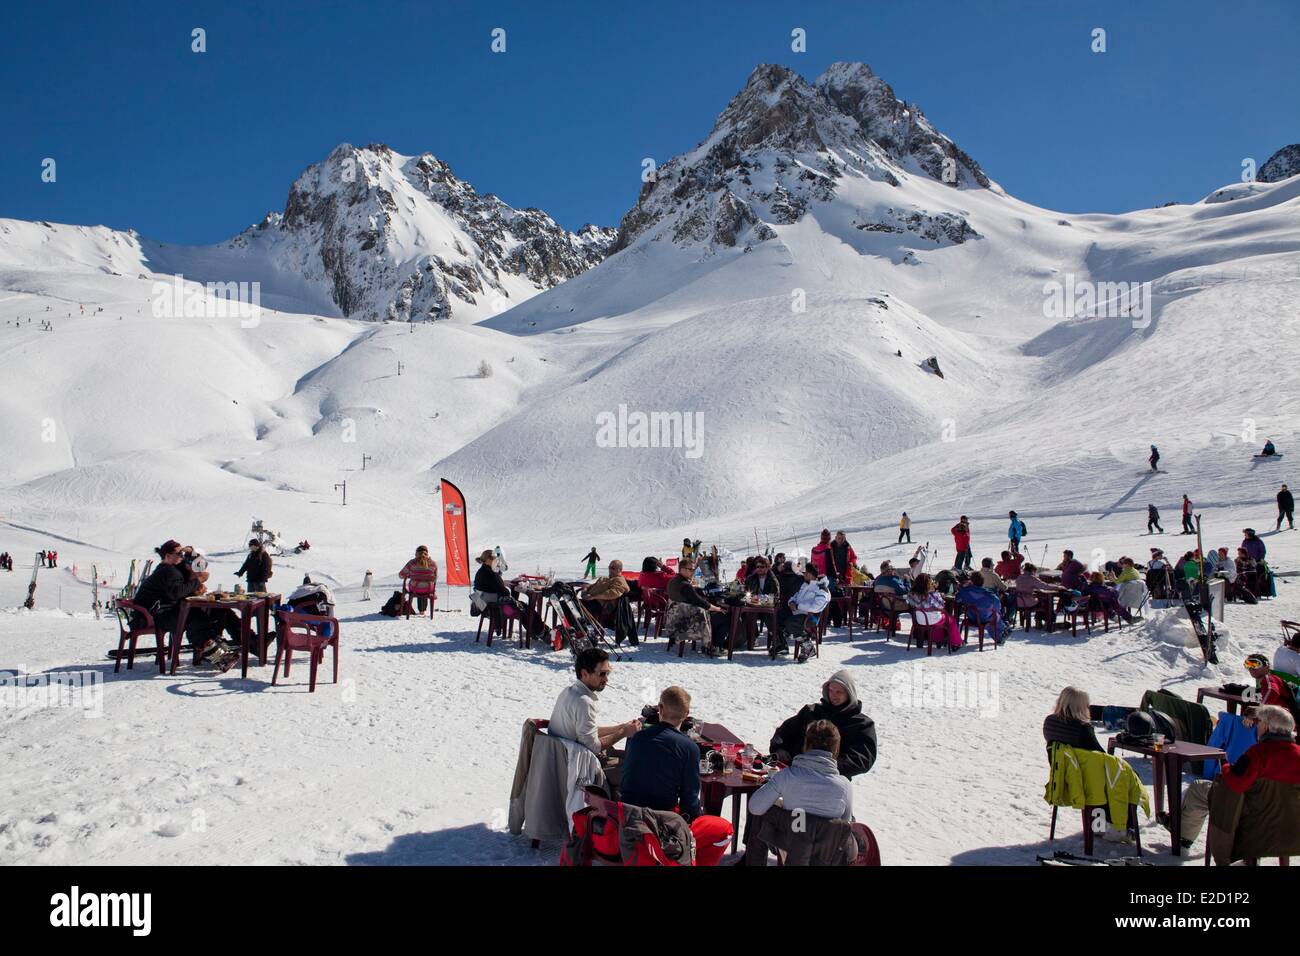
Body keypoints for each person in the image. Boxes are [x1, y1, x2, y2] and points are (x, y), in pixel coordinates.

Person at [618, 686, 733, 866]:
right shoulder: (688, 748)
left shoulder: (637, 738)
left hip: (627, 815)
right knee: (725, 829)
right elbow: (690, 800)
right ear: (687, 714)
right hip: (661, 823)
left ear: (660, 709)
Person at [1169, 705, 1300, 850]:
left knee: (1198, 788)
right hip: (1289, 820)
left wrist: (1226, 766)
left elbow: (1235, 784)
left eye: (1259, 723)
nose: (1257, 727)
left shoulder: (1258, 753)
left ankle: (1184, 836)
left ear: (1267, 727)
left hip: (1251, 814)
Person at [745, 721, 854, 865]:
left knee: (765, 810)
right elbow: (845, 823)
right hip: (825, 852)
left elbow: (755, 807)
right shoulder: (844, 785)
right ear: (835, 749)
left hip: (793, 843)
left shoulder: (788, 776)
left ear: (806, 745)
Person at [131, 540, 239, 667]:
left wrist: (191, 551)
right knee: (194, 618)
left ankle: (217, 650)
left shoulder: (169, 569)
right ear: (167, 556)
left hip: (157, 613)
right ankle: (218, 655)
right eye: (179, 553)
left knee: (203, 614)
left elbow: (197, 566)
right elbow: (176, 593)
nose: (182, 556)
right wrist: (198, 581)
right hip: (152, 617)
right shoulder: (168, 571)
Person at [549, 647, 641, 789]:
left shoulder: (570, 691)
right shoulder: (583, 702)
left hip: (564, 757)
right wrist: (623, 733)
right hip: (576, 765)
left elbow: (586, 733)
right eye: (602, 674)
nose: (606, 679)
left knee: (630, 759)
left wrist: (620, 727)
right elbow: (593, 747)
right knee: (637, 770)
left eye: (608, 673)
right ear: (584, 673)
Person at [770, 672, 876, 778]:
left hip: (830, 780)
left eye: (839, 692)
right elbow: (784, 732)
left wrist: (827, 767)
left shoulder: (862, 724)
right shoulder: (811, 711)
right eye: (831, 690)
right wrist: (780, 748)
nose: (833, 695)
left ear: (849, 693)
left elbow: (862, 759)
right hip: (795, 772)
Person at [664, 557, 724, 656]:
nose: (693, 572)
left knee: (715, 614)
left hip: (676, 620)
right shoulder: (685, 585)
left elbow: (690, 594)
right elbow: (701, 603)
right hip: (688, 622)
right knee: (722, 617)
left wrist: (697, 589)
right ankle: (713, 647)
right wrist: (717, 608)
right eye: (690, 569)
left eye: (694, 569)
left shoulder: (673, 581)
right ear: (682, 569)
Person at [776, 564, 830, 660]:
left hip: (811, 616)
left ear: (809, 574)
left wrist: (798, 606)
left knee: (791, 623)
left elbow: (816, 606)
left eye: (804, 573)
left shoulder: (821, 588)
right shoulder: (805, 585)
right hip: (797, 612)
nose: (803, 575)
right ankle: (782, 645)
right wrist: (791, 602)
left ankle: (808, 648)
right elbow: (795, 596)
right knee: (777, 616)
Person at [1043, 686, 1104, 753]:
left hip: (1059, 762)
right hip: (1081, 763)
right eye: (1086, 705)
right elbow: (1102, 755)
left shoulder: (1049, 722)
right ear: (1081, 707)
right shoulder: (1083, 729)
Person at [471, 548, 513, 616]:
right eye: (495, 559)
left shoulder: (482, 571)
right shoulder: (490, 572)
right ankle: (511, 615)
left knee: (519, 606)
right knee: (523, 609)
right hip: (493, 608)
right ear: (488, 560)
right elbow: (504, 592)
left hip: (483, 604)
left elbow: (492, 585)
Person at [399, 545, 439, 613]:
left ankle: (421, 610)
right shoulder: (433, 564)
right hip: (428, 589)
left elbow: (401, 575)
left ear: (416, 553)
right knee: (425, 586)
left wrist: (410, 575)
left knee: (417, 585)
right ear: (427, 553)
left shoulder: (411, 563)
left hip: (414, 589)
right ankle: (422, 610)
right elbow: (435, 578)